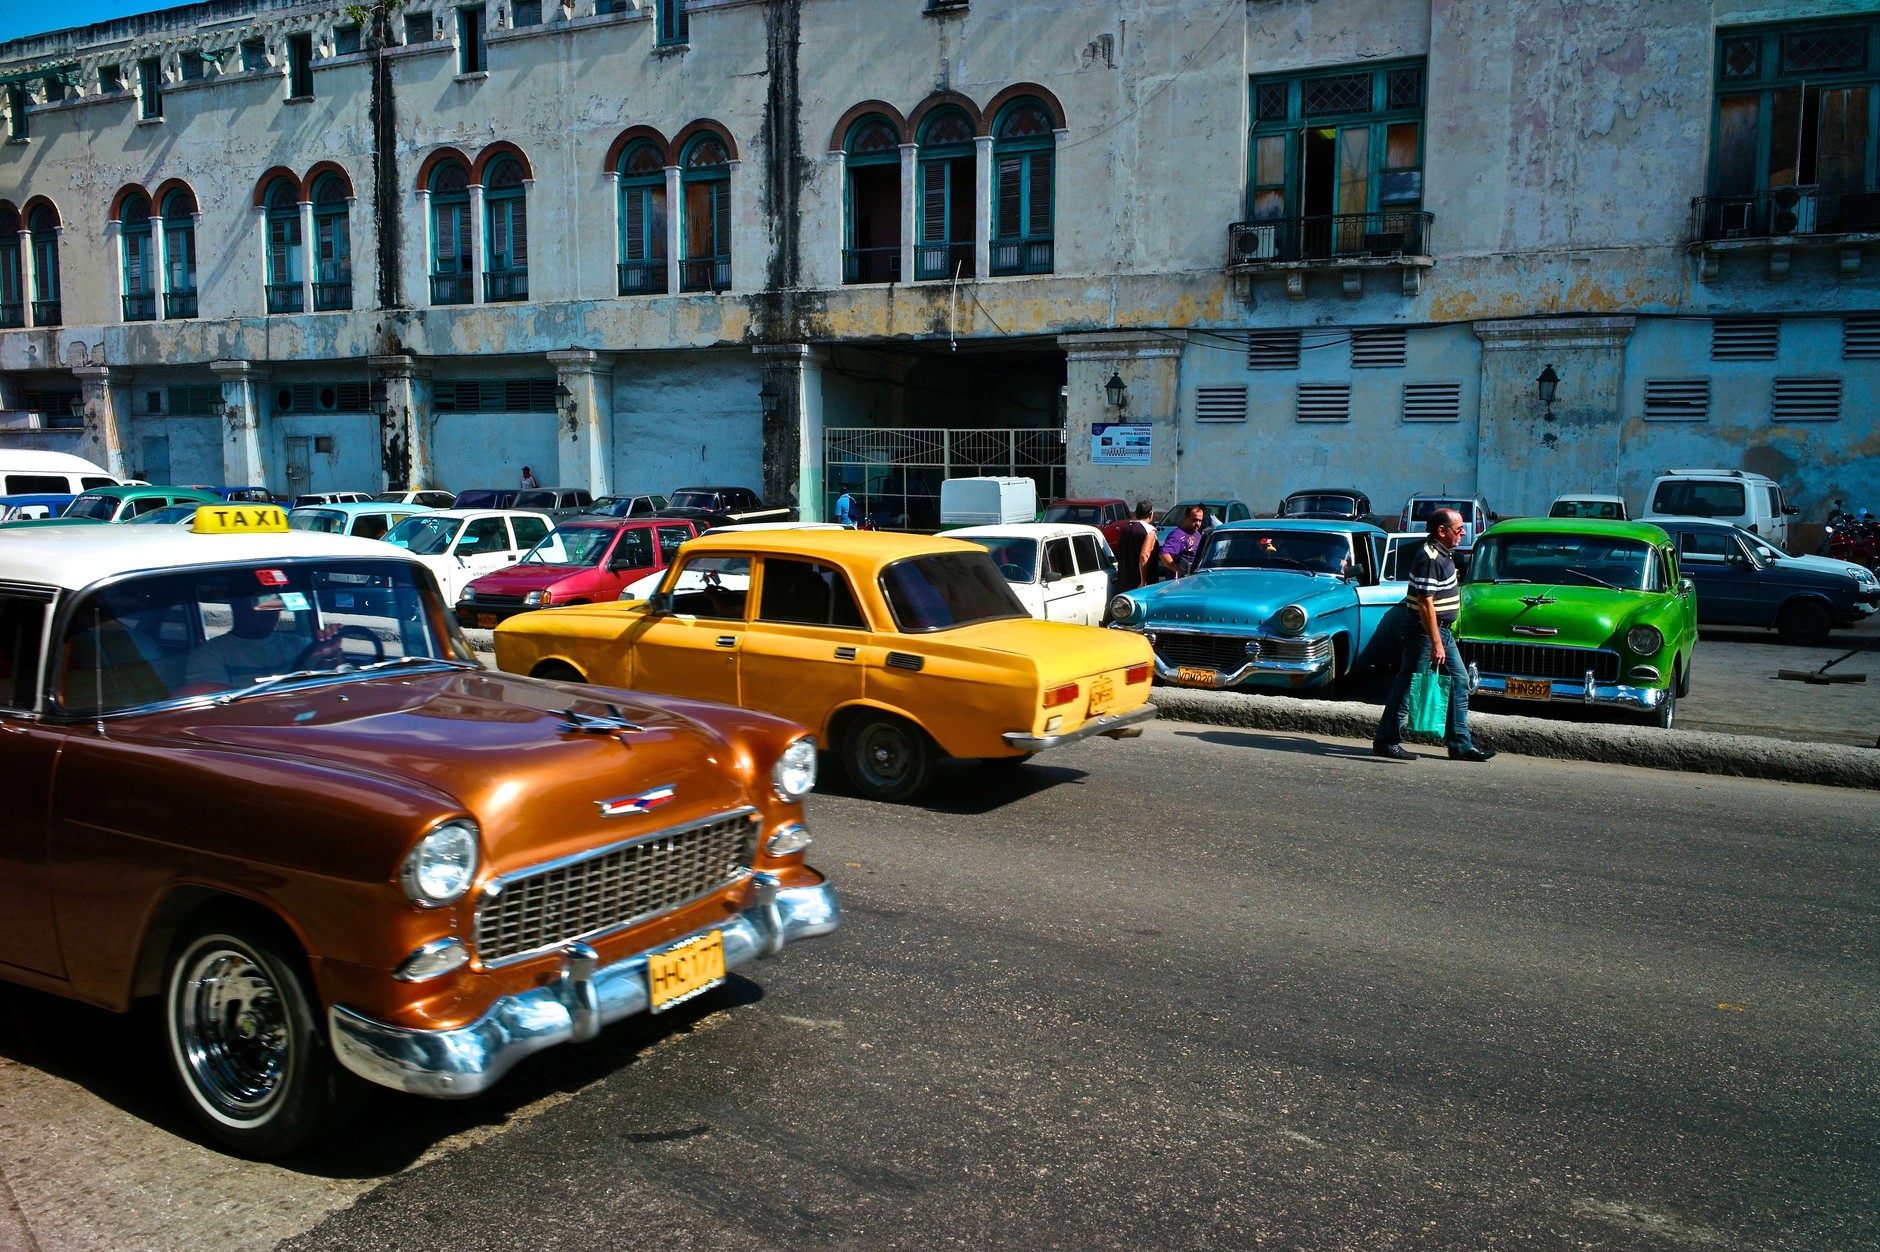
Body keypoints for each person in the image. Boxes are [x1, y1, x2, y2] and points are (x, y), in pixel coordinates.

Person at [1373, 509, 1495, 762]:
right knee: (1409, 684)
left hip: (1440, 632)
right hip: (1425, 632)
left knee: (1460, 680)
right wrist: (1436, 643)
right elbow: (1425, 602)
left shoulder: (1444, 554)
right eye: (1458, 528)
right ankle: (1387, 740)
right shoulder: (1429, 557)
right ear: (1442, 531)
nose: (1463, 532)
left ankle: (1460, 745)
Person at [186, 592, 338, 688]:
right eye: (261, 600)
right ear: (237, 605)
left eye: (275, 601)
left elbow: (330, 687)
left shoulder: (299, 644)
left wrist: (331, 653)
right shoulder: (209, 655)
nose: (270, 610)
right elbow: (215, 710)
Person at [1113, 501, 1156, 592]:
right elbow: (1144, 556)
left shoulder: (1124, 528)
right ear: (1151, 514)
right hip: (1140, 583)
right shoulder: (1149, 530)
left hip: (1124, 581)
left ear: (1136, 513)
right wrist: (1143, 581)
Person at [1157, 505, 1207, 579]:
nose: (1198, 524)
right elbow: (1164, 554)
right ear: (1186, 518)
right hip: (1180, 583)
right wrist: (1177, 570)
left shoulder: (1197, 534)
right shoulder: (1177, 535)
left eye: (1200, 521)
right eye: (1194, 520)